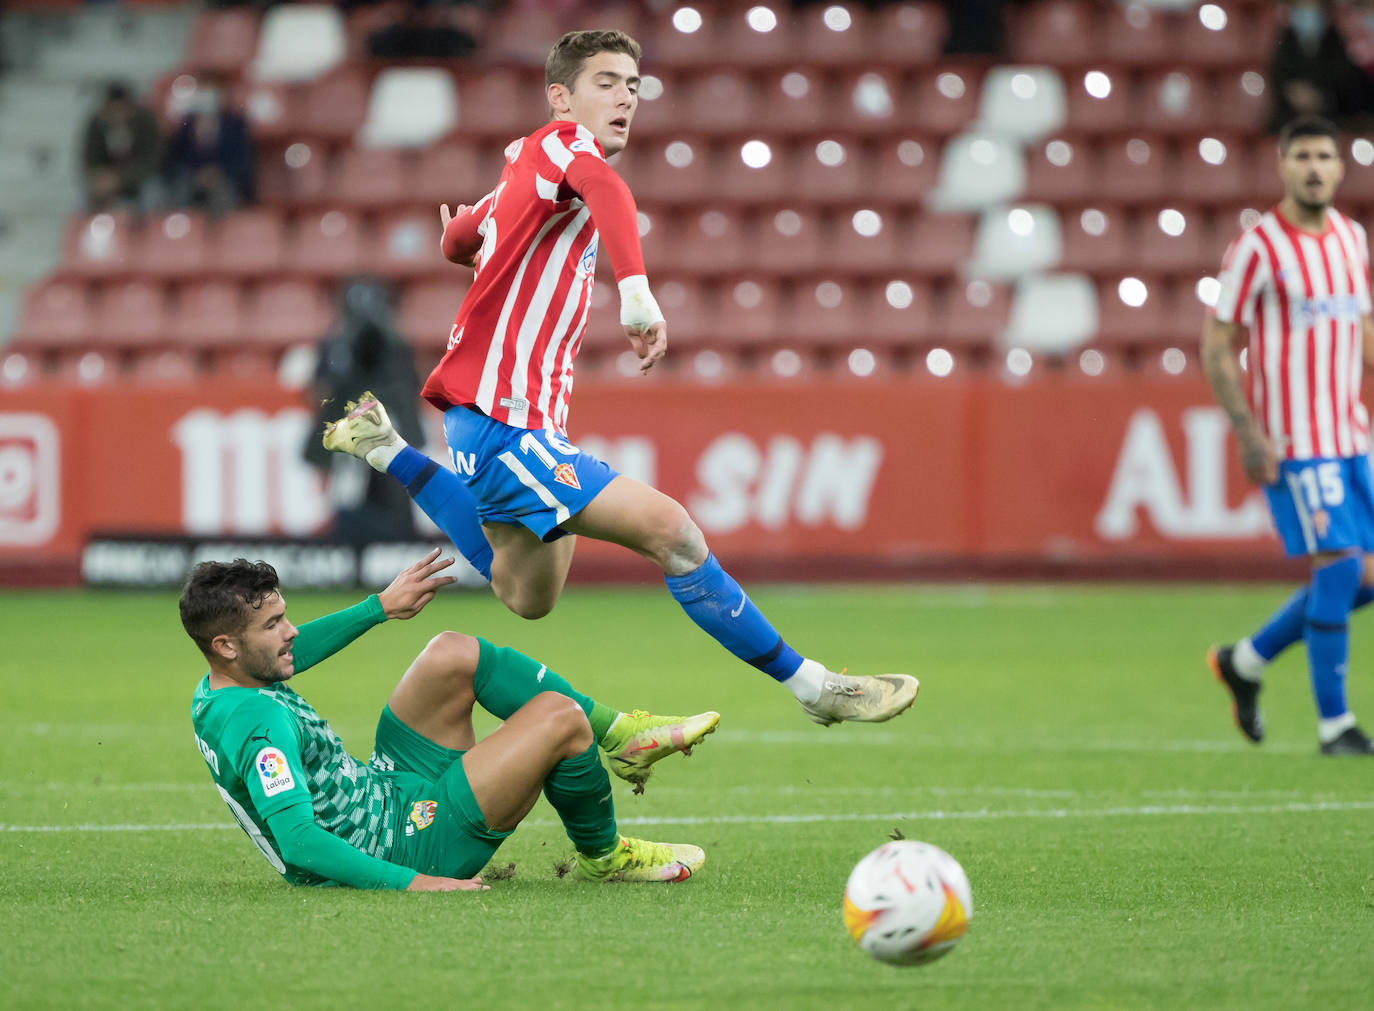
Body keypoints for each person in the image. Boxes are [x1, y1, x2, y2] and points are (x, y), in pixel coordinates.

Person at [321, 29, 919, 728]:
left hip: (494, 420)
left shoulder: (524, 165)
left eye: (633, 85)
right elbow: (604, 186)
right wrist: (635, 293)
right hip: (504, 419)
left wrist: (462, 244)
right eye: (606, 82)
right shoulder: (561, 148)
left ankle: (389, 449)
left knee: (527, 596)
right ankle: (815, 686)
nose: (626, 98)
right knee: (676, 533)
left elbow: (464, 234)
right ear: (560, 98)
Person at [185, 548, 719, 889]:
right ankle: (605, 856)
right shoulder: (259, 727)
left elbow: (287, 658)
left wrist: (379, 607)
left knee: (451, 653)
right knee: (559, 717)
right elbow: (300, 842)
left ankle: (622, 733)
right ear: (226, 644)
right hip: (407, 844)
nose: (292, 632)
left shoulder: (219, 687)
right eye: (274, 625)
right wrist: (422, 885)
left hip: (385, 789)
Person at [1202, 114, 1374, 757]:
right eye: (1301, 155)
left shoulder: (1352, 239)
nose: (1313, 166)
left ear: (1339, 166)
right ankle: (1336, 727)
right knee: (1338, 567)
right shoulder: (1260, 247)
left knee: (1364, 577)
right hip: (1295, 441)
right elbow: (1217, 346)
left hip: (1352, 436)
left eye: (1324, 155)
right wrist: (1247, 432)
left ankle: (1245, 661)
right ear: (1282, 165)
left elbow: (1360, 336)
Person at [304, 278, 423, 546]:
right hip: (358, 438)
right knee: (350, 495)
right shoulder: (343, 344)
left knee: (387, 492)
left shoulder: (390, 345)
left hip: (385, 438)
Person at [162, 72, 256, 216]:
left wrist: (218, 172)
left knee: (223, 196)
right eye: (203, 92)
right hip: (192, 179)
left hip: (225, 178)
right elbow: (177, 158)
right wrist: (196, 174)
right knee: (178, 193)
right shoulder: (187, 125)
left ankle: (224, 235)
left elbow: (242, 158)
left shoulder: (235, 123)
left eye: (211, 92)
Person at [80, 81, 162, 212]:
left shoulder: (146, 123)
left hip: (140, 180)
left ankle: (147, 229)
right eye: (113, 110)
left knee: (154, 191)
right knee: (84, 194)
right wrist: (99, 176)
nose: (117, 115)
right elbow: (89, 157)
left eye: (121, 110)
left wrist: (120, 178)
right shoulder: (96, 125)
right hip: (106, 181)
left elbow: (152, 159)